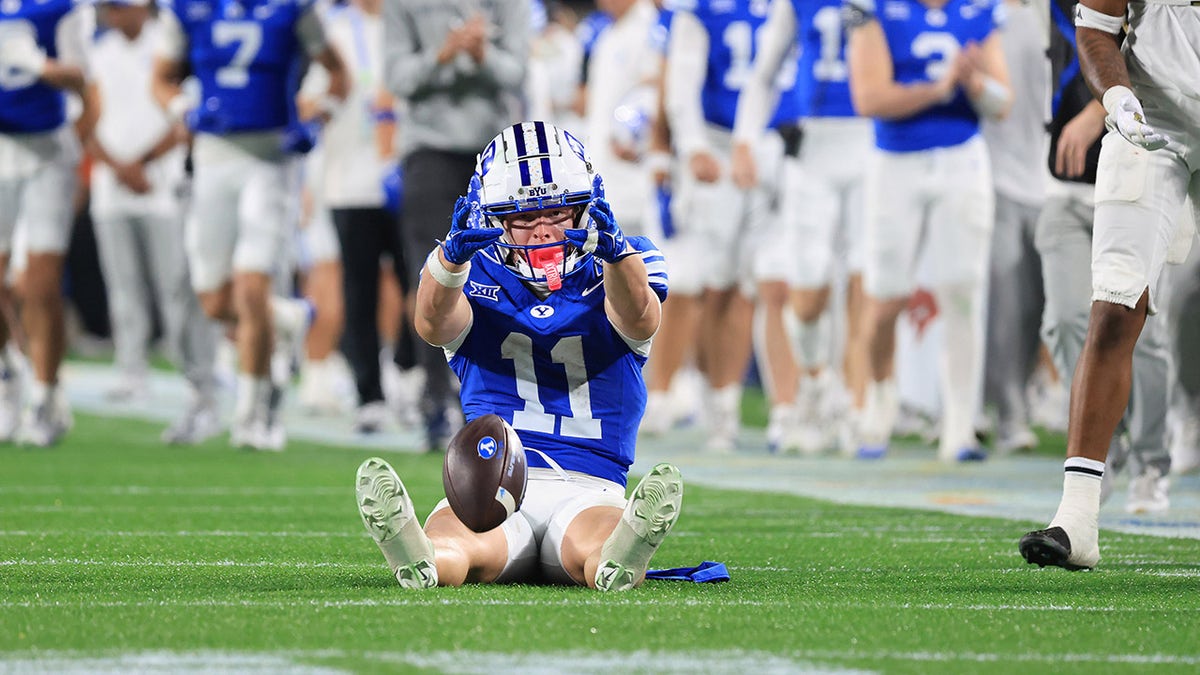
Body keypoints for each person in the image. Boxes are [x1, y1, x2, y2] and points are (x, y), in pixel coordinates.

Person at [355, 122, 682, 591]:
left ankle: (615, 559)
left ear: (585, 206)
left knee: (593, 546)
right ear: (493, 218)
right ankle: (425, 560)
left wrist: (615, 257)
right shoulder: (466, 267)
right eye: (524, 218)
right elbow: (430, 326)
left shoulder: (627, 261)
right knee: (459, 541)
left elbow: (641, 320)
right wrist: (448, 260)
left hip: (590, 484)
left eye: (556, 213)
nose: (543, 232)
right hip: (492, 484)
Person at [1019, 0, 1199, 571]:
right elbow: (1096, 26)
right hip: (1155, 121)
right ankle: (1077, 518)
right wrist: (1117, 99)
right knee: (1115, 305)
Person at [152, 0, 349, 451]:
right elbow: (161, 80)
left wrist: (317, 119)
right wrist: (183, 109)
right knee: (215, 299)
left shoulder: (294, 9)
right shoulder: (188, 10)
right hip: (213, 158)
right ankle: (288, 318)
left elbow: (338, 75)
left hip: (271, 162)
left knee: (251, 287)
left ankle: (254, 413)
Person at [844, 0, 1011, 461]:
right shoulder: (874, 9)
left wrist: (975, 84)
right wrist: (941, 88)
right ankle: (881, 394)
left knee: (962, 291)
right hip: (895, 162)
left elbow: (1003, 103)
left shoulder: (978, 10)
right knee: (886, 296)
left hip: (962, 159)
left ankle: (959, 424)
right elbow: (869, 98)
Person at [1032, 0, 1169, 515]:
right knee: (1072, 319)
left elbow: (1153, 50)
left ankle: (1151, 460)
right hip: (1065, 190)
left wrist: (1102, 107)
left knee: (1147, 333)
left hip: (1152, 160)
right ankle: (1094, 460)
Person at [383, 0, 530, 452]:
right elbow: (396, 78)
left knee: (507, 276)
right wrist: (444, 54)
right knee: (432, 275)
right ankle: (436, 400)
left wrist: (482, 53)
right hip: (428, 151)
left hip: (495, 153)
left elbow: (518, 71)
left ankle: (502, 402)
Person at [732, 0, 872, 453]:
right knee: (806, 294)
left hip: (872, 140)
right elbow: (765, 71)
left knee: (863, 281)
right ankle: (816, 379)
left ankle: (856, 406)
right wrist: (744, 139)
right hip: (812, 147)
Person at [88, 0, 221, 444]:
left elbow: (187, 114)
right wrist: (117, 165)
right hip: (112, 185)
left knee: (180, 288)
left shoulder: (171, 38)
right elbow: (85, 116)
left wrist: (142, 161)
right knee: (123, 285)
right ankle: (132, 371)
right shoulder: (97, 49)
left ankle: (199, 379)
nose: (112, 14)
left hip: (165, 186)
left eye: (119, 7)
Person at [0, 0, 98, 446]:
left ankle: (46, 393)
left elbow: (82, 81)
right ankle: (8, 375)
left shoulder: (65, 7)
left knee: (38, 284)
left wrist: (34, 63)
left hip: (46, 150)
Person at [978, 0, 1047, 454]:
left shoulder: (1055, 15)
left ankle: (1021, 394)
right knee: (1004, 302)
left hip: (1050, 176)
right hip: (994, 173)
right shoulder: (983, 16)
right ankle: (1006, 411)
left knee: (1039, 307)